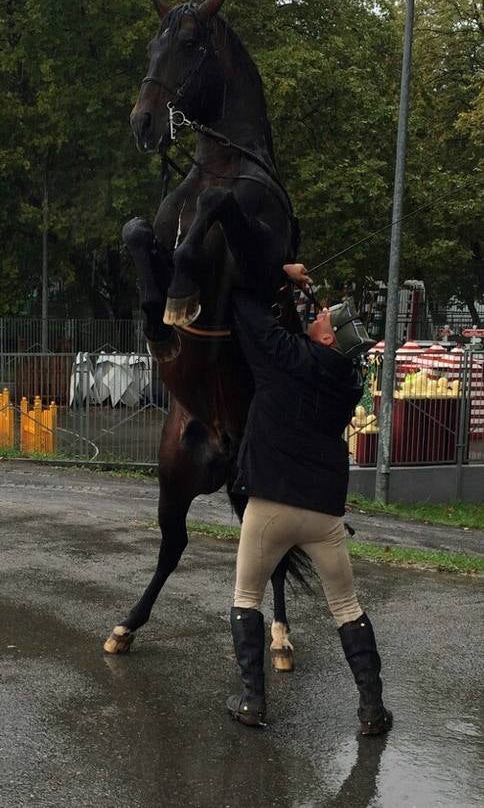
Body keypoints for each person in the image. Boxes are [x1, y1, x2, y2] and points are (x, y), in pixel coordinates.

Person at [226, 263, 393, 735]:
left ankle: (252, 703)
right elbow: (300, 339)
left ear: (325, 339)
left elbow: (245, 307)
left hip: (271, 506)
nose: (318, 315)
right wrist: (299, 292)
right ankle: (372, 710)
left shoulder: (282, 357)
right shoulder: (346, 382)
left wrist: (277, 273)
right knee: (347, 606)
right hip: (324, 514)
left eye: (324, 318)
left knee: (245, 598)